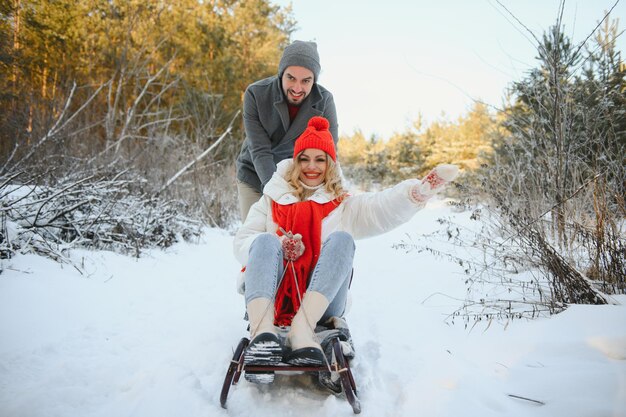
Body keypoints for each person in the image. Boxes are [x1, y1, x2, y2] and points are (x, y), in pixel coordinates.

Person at [233, 116, 458, 382]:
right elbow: (242, 242)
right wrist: (280, 245)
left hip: (324, 304)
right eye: (304, 159)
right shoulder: (271, 200)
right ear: (295, 161)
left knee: (342, 240)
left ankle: (302, 330)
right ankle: (262, 335)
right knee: (265, 240)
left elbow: (380, 208)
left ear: (330, 163)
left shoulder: (343, 205)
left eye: (320, 159)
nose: (311, 167)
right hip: (275, 293)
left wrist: (415, 194)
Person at [235, 40, 338, 221]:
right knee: (255, 237)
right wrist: (278, 196)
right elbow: (260, 150)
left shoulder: (324, 101)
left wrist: (326, 192)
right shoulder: (256, 94)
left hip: (298, 180)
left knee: (293, 239)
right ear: (281, 74)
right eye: (291, 78)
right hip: (254, 174)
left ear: (314, 81)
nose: (297, 88)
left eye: (306, 81)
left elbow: (329, 152)